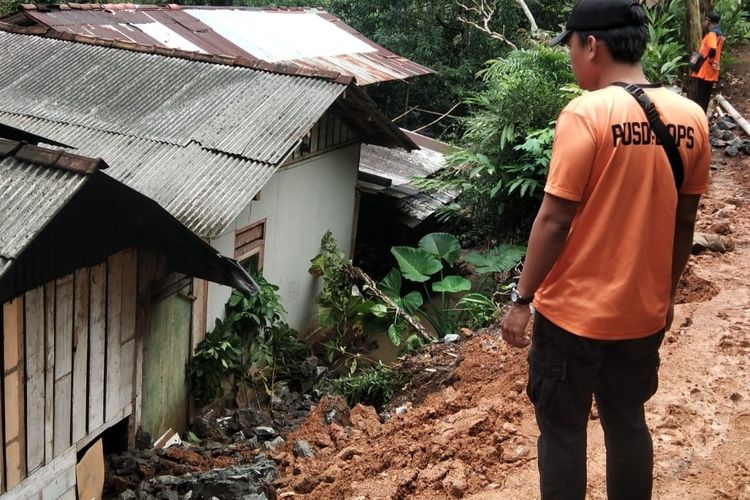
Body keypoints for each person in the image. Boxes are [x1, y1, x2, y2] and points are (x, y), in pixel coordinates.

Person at [498, 0, 711, 499]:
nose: (572, 58)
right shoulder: (692, 117)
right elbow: (684, 222)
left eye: (571, 46)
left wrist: (522, 299)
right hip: (641, 314)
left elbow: (553, 219)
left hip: (572, 316)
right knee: (627, 423)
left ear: (591, 45)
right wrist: (666, 294)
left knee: (564, 430)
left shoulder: (586, 113)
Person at [691, 11, 724, 112]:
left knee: (699, 97)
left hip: (705, 71)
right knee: (705, 97)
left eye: (704, 20)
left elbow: (712, 49)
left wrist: (708, 60)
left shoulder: (712, 33)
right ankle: (702, 117)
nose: (703, 23)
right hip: (712, 70)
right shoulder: (720, 33)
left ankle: (698, 118)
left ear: (708, 21)